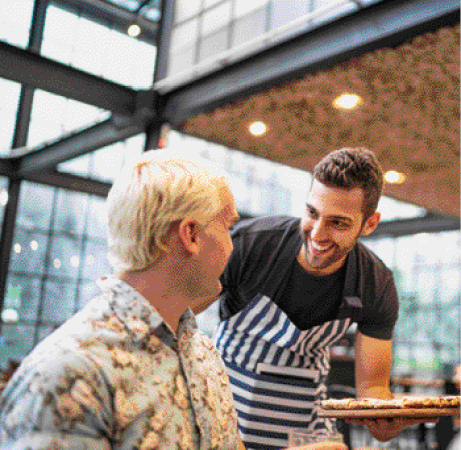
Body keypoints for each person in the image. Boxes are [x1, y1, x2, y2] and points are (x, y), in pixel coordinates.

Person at [0, 150, 246, 449]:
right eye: (228, 227)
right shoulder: (69, 372)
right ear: (190, 234)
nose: (232, 246)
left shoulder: (204, 354)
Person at [213, 147, 423, 450]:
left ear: (370, 224)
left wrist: (386, 420)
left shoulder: (375, 283)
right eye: (312, 213)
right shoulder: (249, 245)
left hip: (303, 419)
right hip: (225, 407)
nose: (317, 235)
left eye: (338, 223)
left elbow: (373, 388)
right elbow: (177, 324)